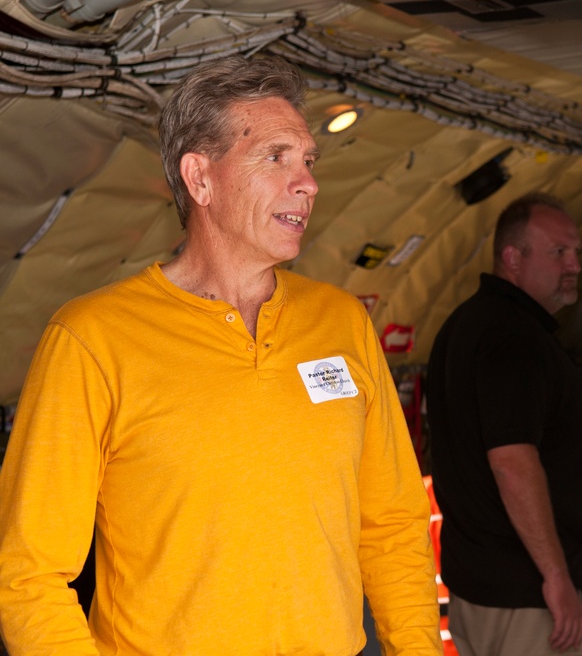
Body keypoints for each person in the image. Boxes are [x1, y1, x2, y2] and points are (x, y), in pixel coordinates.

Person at [0, 54, 441, 655]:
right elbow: (28, 573)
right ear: (200, 179)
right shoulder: (93, 338)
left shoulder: (342, 323)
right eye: (275, 156)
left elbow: (392, 523)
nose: (308, 181)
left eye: (308, 160)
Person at [426, 193, 582, 656]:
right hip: (532, 603)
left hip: (479, 589)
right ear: (512, 258)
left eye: (576, 253)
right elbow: (512, 461)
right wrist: (556, 578)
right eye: (558, 252)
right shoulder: (515, 339)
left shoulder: (463, 325)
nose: (574, 265)